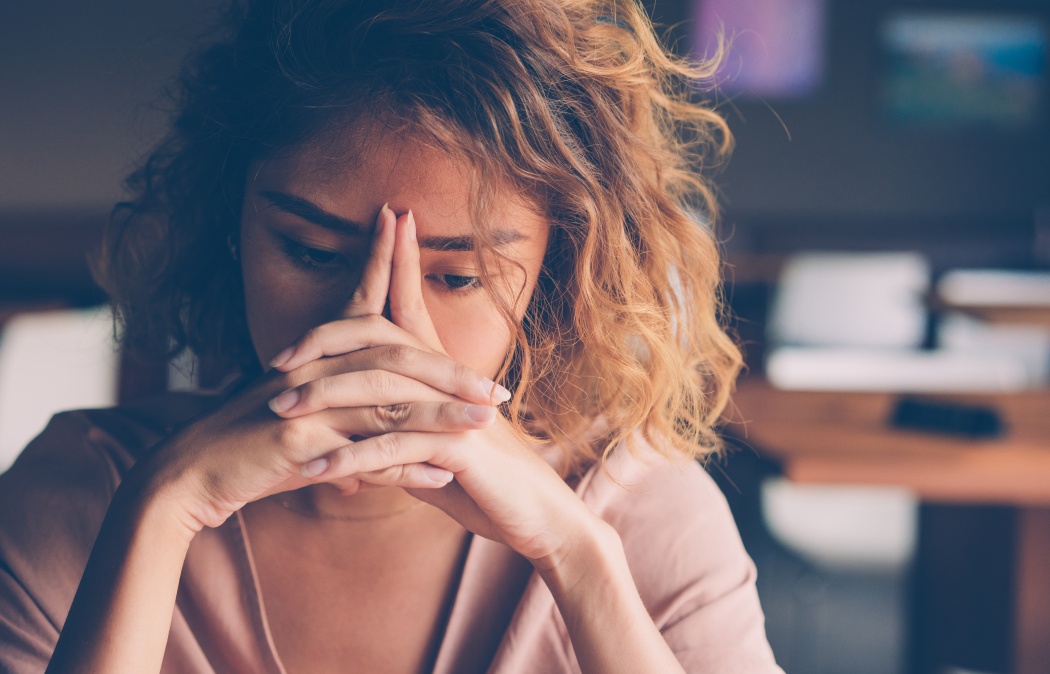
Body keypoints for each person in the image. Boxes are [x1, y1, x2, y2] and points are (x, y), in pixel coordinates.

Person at [0, 0, 782, 671]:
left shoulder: (640, 517)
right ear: (230, 224)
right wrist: (164, 511)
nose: (374, 332)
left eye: (457, 276)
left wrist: (581, 563)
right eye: (310, 252)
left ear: (554, 272)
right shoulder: (83, 497)